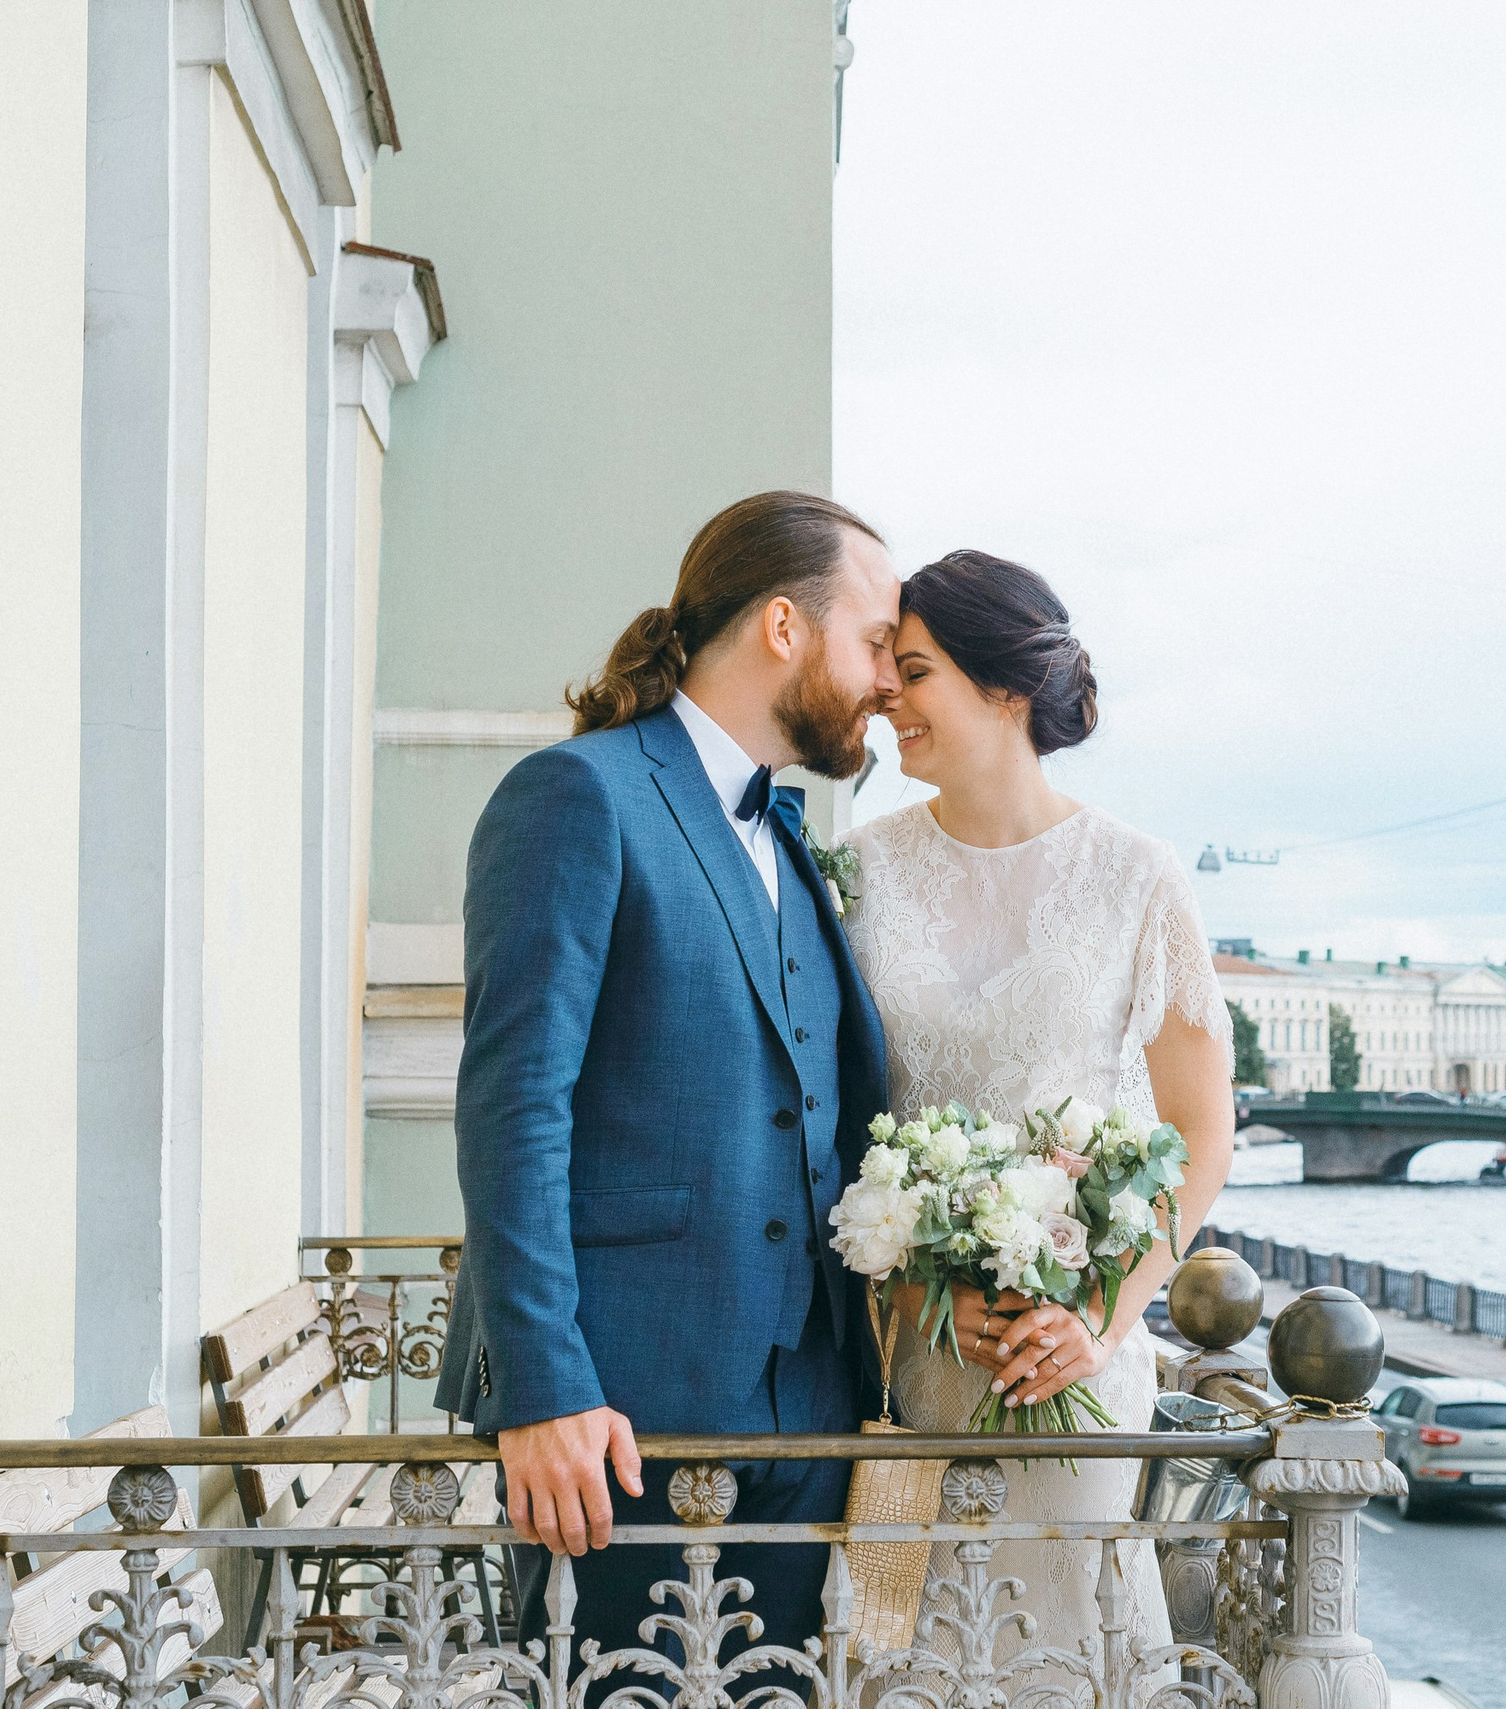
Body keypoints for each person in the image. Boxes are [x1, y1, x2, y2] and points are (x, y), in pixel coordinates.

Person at [434, 490, 903, 1659]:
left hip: (810, 1419)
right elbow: (513, 1107)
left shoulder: (790, 836)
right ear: (784, 627)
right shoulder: (577, 796)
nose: (889, 679)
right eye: (876, 641)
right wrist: (541, 1388)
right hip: (611, 1425)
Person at [841, 549, 1236, 1659]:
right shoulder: (857, 874)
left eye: (912, 671)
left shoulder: (1138, 875)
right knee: (902, 1648)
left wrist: (1101, 1317)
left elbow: (1202, 1133)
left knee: (1060, 1654)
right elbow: (825, 1119)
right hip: (911, 1359)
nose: (886, 696)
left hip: (1074, 1357)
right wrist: (913, 1291)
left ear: (1005, 688)